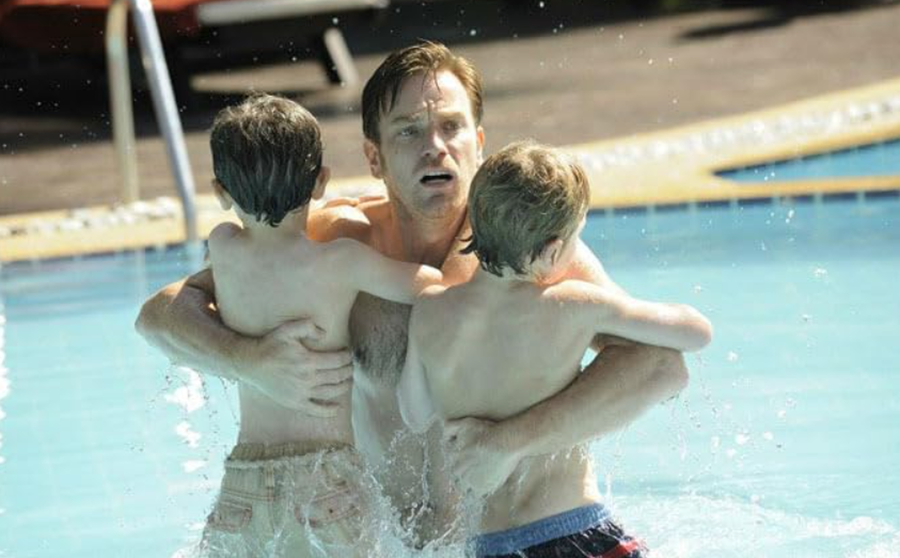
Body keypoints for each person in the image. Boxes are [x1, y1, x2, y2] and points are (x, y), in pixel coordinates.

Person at [135, 42, 690, 549]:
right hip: (384, 542)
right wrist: (249, 361)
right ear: (373, 157)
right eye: (409, 132)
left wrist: (513, 441)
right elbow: (160, 315)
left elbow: (661, 366)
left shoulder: (537, 255)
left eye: (451, 127)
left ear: (479, 143)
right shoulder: (333, 244)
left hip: (528, 538)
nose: (435, 148)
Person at [397, 140, 713, 557]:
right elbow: (695, 333)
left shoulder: (430, 310)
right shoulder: (571, 304)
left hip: (489, 545)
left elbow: (415, 412)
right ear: (551, 251)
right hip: (578, 532)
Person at [199, 93, 441, 556]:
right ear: (321, 182)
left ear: (220, 192)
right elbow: (428, 284)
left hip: (243, 482)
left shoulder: (223, 245)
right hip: (326, 477)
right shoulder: (340, 261)